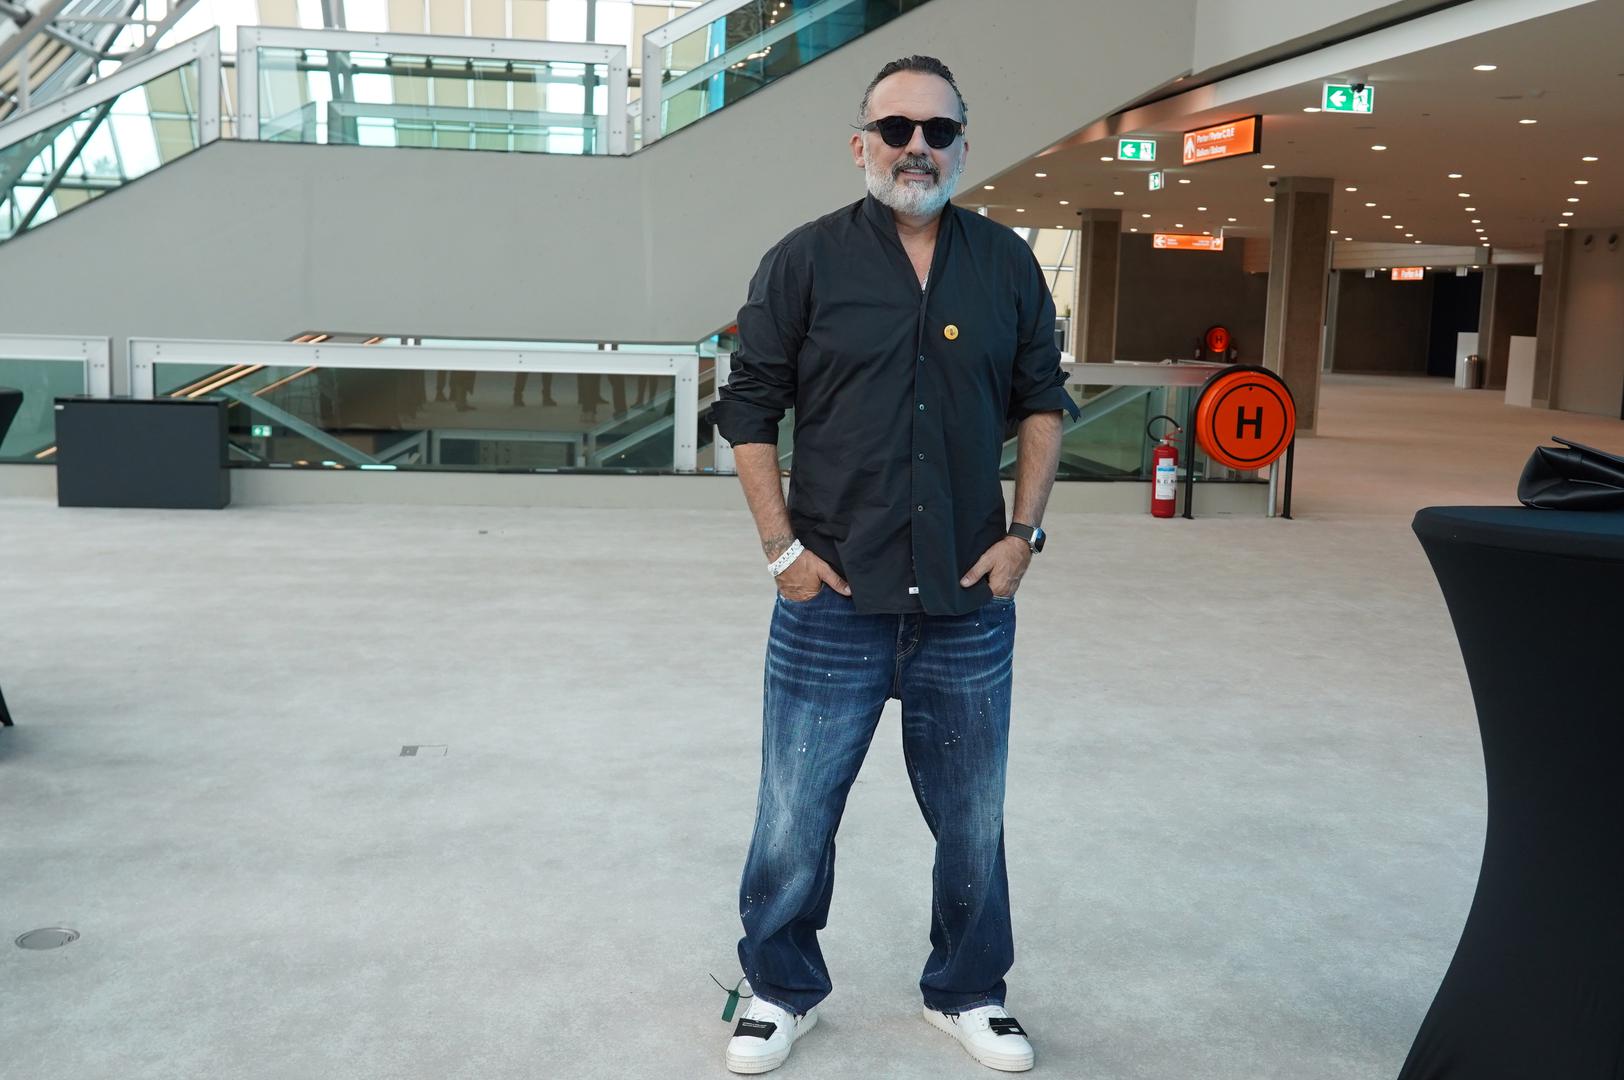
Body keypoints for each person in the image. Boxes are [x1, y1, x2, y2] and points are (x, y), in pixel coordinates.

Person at [711, 54, 1077, 1075]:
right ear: (860, 143)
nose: (918, 147)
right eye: (897, 128)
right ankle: (780, 989)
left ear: (963, 144)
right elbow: (749, 410)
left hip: (967, 597)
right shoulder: (804, 262)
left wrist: (1024, 536)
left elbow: (1042, 405)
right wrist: (780, 549)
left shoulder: (1005, 265)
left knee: (971, 819)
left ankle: (968, 990)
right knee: (794, 812)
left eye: (939, 130)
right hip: (831, 592)